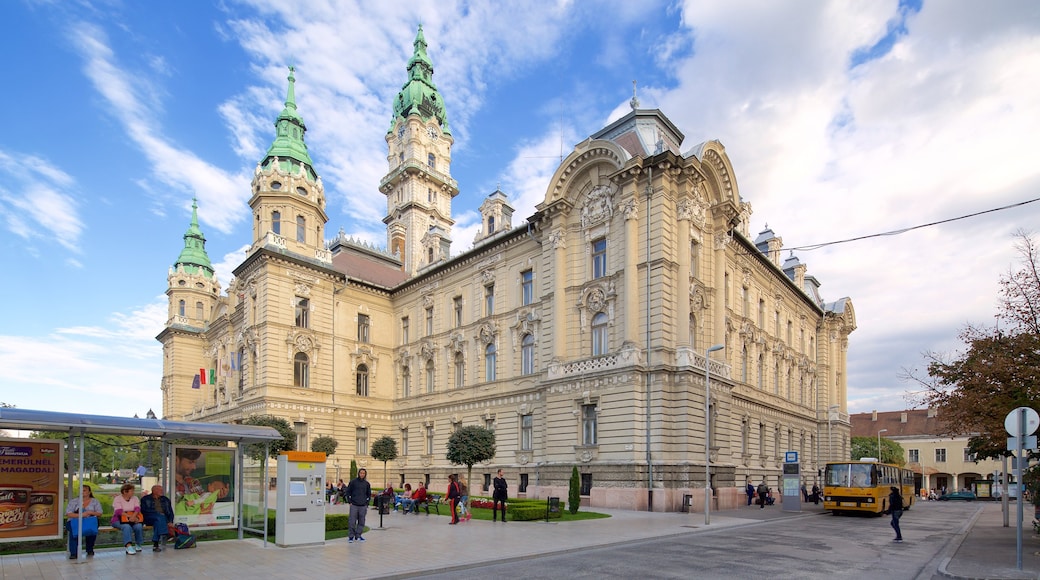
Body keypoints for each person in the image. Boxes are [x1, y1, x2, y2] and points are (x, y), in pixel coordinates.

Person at [65, 486, 102, 559]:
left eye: (84, 490)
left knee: (91, 529)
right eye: (80, 490)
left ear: (89, 492)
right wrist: (81, 515)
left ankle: (89, 549)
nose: (82, 492)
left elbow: (99, 513)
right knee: (74, 532)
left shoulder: (95, 501)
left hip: (89, 521)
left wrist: (90, 512)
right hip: (75, 521)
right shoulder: (74, 501)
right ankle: (74, 553)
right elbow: (68, 514)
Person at [112, 483, 144, 555]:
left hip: (134, 518)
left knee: (138, 526)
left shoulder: (135, 498)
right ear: (125, 491)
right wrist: (130, 517)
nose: (133, 492)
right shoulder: (118, 499)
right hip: (119, 519)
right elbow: (118, 511)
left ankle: (138, 544)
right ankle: (128, 545)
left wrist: (134, 516)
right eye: (131, 491)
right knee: (126, 527)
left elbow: (137, 508)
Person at [141, 484, 174, 552]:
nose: (162, 491)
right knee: (160, 517)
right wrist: (157, 513)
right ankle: (166, 533)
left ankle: (155, 545)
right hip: (149, 518)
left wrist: (170, 521)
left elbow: (170, 512)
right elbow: (144, 511)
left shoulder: (165, 499)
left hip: (161, 519)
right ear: (154, 491)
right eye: (160, 490)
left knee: (158, 522)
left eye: (162, 490)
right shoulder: (145, 499)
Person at [345, 468, 371, 543]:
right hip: (354, 505)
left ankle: (358, 535)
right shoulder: (353, 482)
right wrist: (349, 501)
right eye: (361, 473)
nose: (362, 474)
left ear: (365, 474)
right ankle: (351, 536)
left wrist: (367, 503)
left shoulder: (367, 484)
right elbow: (348, 492)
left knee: (361, 521)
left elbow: (368, 494)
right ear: (358, 473)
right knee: (352, 522)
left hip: (363, 505)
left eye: (363, 473)